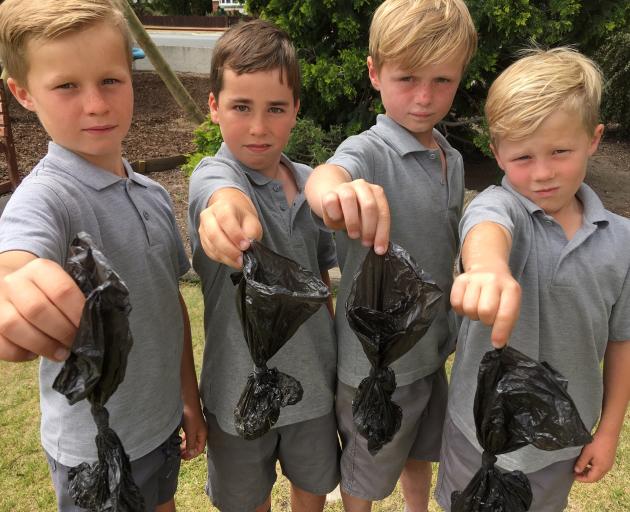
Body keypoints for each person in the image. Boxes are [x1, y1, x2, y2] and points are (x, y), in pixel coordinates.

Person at [0, 1, 206, 510]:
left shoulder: (152, 194)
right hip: (91, 451)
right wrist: (13, 284)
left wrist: (188, 397)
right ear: (22, 92)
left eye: (111, 80)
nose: (95, 104)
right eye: (67, 86)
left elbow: (168, 304)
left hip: (160, 427)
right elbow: (16, 257)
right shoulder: (47, 198)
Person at [435, 47, 630, 511]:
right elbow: (485, 227)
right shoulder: (500, 208)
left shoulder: (622, 242)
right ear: (496, 152)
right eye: (522, 156)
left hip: (558, 447)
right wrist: (486, 268)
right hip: (473, 434)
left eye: (560, 151)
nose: (542, 173)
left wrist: (607, 432)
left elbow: (621, 343)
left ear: (594, 139)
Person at [304, 1, 477, 510]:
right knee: (366, 474)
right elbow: (328, 175)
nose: (424, 98)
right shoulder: (369, 150)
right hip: (373, 368)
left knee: (421, 448)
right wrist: (336, 194)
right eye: (407, 78)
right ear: (375, 73)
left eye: (442, 80)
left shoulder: (454, 157)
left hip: (431, 351)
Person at [188, 19, 339, 512]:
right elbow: (220, 201)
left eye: (275, 108)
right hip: (235, 394)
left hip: (314, 390)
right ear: (213, 107)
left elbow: (321, 280)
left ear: (296, 108)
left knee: (312, 490)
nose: (258, 127)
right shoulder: (215, 174)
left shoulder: (312, 185)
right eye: (240, 107)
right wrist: (227, 219)